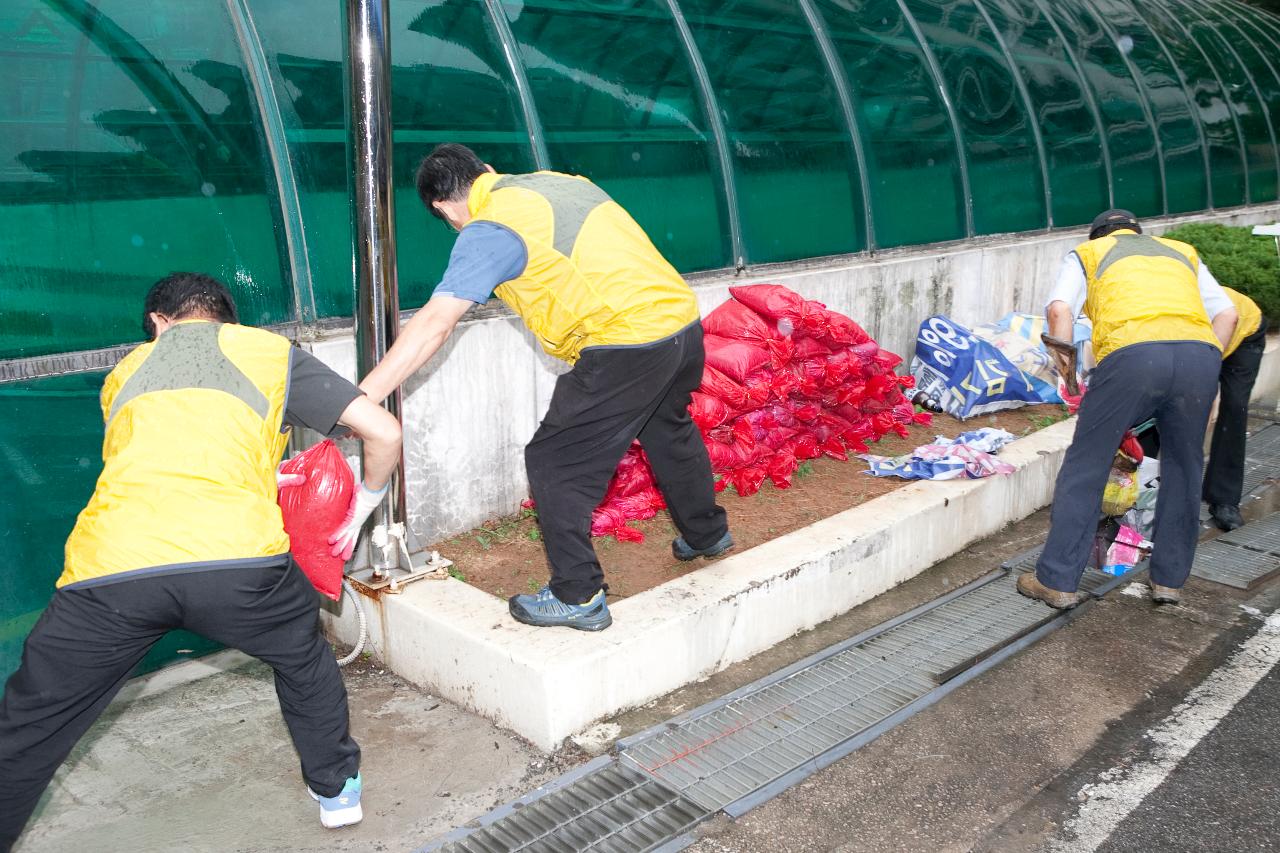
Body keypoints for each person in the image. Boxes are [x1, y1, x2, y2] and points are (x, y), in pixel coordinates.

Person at [0, 273, 401, 849]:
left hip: (113, 569)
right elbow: (382, 431)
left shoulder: (123, 374)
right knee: (302, 659)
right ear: (225, 320)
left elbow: (167, 458)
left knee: (30, 724)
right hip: (240, 567)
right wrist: (364, 502)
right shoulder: (265, 350)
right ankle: (337, 793)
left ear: (160, 323)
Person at [358, 143, 730, 632]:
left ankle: (577, 594)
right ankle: (707, 534)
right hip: (680, 324)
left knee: (553, 461)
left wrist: (360, 399)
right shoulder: (558, 182)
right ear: (487, 171)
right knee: (669, 431)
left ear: (443, 206)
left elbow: (434, 323)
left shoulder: (490, 228)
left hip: (626, 340)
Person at [1018, 209, 1238, 610]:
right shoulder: (1181, 251)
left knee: (1088, 465)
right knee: (1185, 468)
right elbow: (1228, 314)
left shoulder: (1089, 253)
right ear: (1138, 233)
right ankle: (1169, 581)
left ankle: (1057, 580)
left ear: (1098, 233)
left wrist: (1068, 380)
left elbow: (1058, 311)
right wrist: (1207, 368)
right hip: (1199, 357)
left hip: (1132, 357)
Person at [1203, 286, 1267, 530]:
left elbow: (1205, 398)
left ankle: (1224, 500)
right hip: (1208, 339)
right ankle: (1138, 493)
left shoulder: (1205, 313)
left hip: (1245, 332)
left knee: (1234, 407)